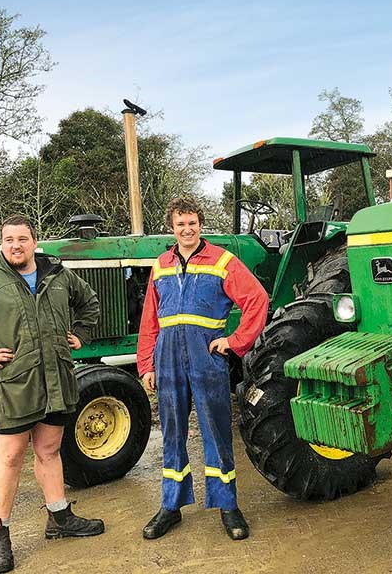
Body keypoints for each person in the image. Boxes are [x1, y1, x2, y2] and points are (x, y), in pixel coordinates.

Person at [0, 215, 104, 573]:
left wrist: (81, 335)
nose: (15, 245)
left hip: (55, 381)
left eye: (22, 239)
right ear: (1, 243)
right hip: (13, 386)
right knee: (10, 457)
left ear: (33, 241)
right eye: (8, 239)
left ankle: (59, 518)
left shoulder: (58, 276)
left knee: (50, 449)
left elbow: (89, 302)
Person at [137, 196, 269, 541]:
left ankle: (228, 505)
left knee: (216, 429)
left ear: (201, 225)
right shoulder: (160, 265)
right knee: (172, 432)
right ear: (172, 228)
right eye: (180, 224)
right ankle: (171, 506)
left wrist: (235, 342)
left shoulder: (223, 260)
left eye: (192, 223)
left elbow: (257, 300)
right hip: (166, 356)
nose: (187, 229)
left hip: (205, 354)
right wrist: (146, 364)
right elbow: (150, 318)